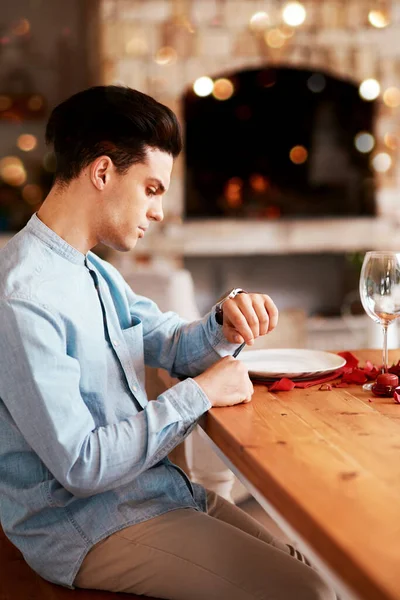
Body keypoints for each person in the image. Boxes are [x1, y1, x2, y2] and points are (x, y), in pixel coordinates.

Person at [0, 86, 334, 600]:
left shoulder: (93, 271)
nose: (158, 212)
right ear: (103, 172)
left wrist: (225, 321)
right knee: (306, 593)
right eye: (152, 189)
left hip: (153, 494)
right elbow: (83, 464)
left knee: (303, 569)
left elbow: (172, 343)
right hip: (87, 529)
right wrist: (200, 392)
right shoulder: (23, 296)